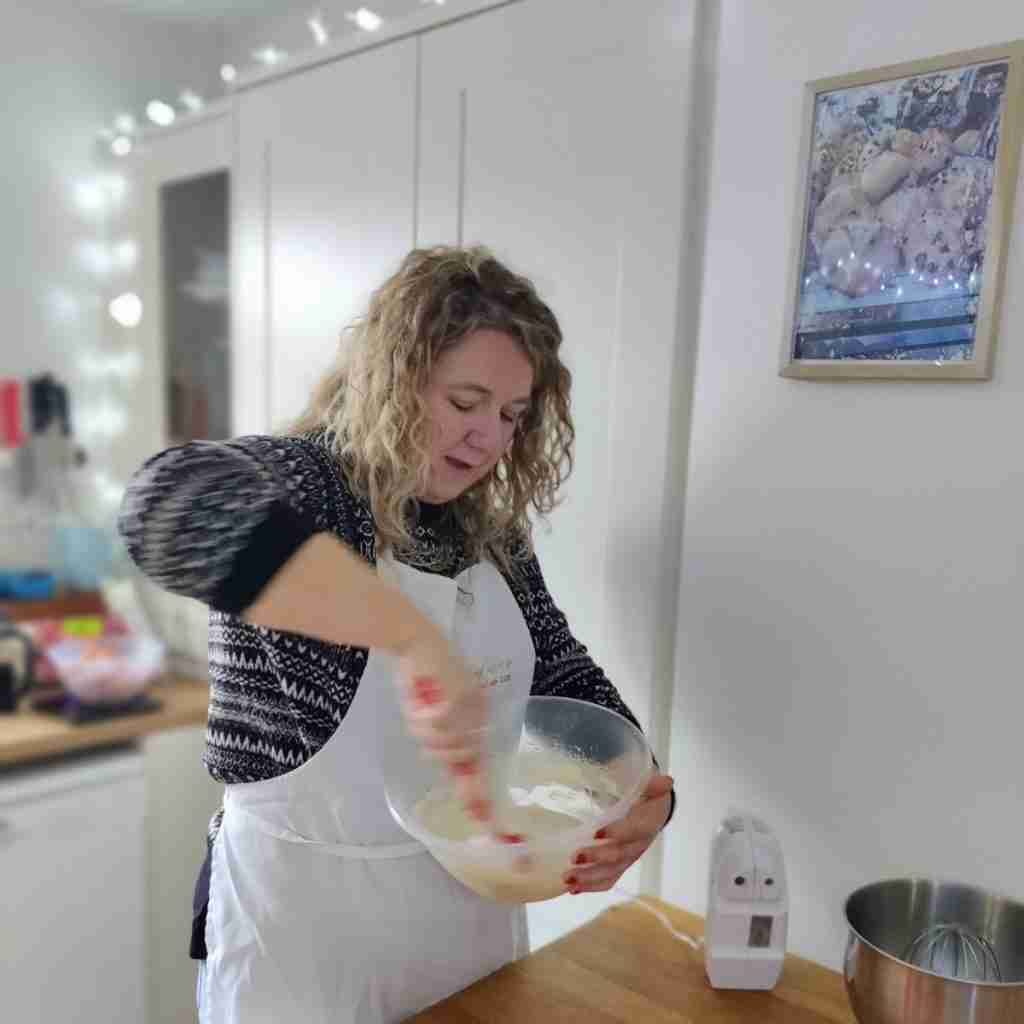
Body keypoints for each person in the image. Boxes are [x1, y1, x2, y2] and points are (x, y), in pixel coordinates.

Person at [119, 245, 675, 1023]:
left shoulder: (492, 536)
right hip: (305, 942)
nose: (488, 438)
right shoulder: (310, 487)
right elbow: (165, 506)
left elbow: (569, 684)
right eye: (466, 400)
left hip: (469, 928)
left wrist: (648, 800)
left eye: (512, 416)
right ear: (392, 378)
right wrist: (415, 641)